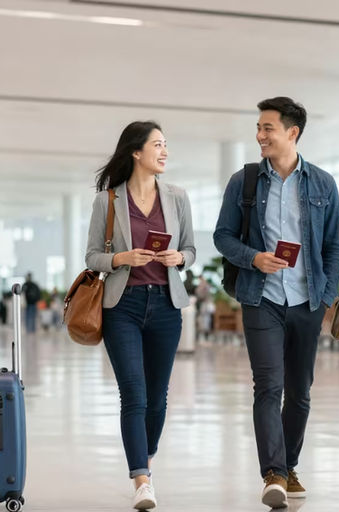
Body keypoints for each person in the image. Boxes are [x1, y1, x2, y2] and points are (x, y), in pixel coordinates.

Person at [213, 97, 339, 509]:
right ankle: (273, 472)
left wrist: (324, 297)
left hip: (307, 301)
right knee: (268, 386)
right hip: (261, 298)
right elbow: (222, 236)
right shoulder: (245, 181)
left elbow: (333, 245)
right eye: (258, 127)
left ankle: (288, 464)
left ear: (292, 132)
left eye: (267, 128)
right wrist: (253, 257)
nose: (259, 135)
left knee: (300, 392)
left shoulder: (322, 183)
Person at [86, 121, 195, 510]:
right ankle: (142, 480)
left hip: (166, 304)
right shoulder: (108, 201)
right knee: (133, 392)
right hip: (123, 306)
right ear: (136, 152)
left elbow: (191, 250)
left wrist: (179, 257)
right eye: (158, 145)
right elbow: (92, 256)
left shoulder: (178, 197)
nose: (164, 152)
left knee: (158, 398)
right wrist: (121, 258)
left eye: (166, 145)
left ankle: (145, 455)